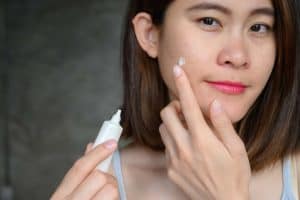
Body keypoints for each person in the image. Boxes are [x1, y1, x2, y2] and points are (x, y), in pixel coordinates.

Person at [51, 0, 300, 199]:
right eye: (209, 21)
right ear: (150, 34)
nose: (237, 56)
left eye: (259, 27)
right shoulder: (102, 184)